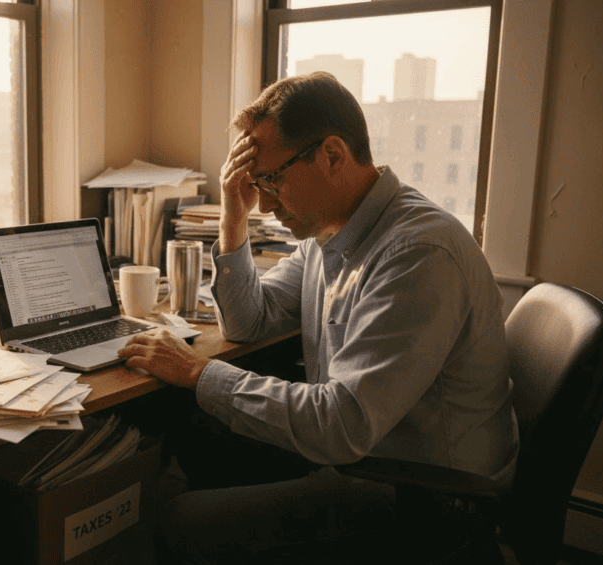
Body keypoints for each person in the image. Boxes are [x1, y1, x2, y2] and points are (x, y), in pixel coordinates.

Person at [117, 71, 519, 563]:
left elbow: (341, 426)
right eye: (256, 183)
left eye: (272, 179)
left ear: (332, 155)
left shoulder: (417, 254)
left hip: (423, 495)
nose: (264, 202)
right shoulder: (331, 233)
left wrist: (198, 371)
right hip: (364, 454)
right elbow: (247, 323)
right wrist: (232, 216)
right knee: (195, 429)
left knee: (179, 522)